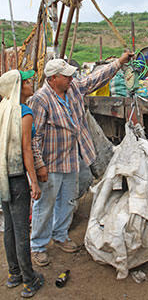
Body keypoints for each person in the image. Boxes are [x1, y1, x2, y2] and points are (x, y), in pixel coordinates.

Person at [29, 52, 133, 267]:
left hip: (72, 158)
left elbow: (97, 78)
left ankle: (60, 235)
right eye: (65, 75)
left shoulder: (73, 88)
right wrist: (39, 165)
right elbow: (34, 137)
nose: (70, 78)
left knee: (68, 199)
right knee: (45, 204)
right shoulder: (40, 99)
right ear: (52, 79)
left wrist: (119, 62)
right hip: (51, 162)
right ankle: (37, 246)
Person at [0, 69, 44, 298]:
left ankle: (14, 274)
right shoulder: (24, 113)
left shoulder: (2, 109)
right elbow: (27, 150)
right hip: (17, 178)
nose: (30, 83)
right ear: (18, 87)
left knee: (9, 227)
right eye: (26, 81)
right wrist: (34, 182)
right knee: (20, 231)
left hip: (3, 177)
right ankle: (29, 280)